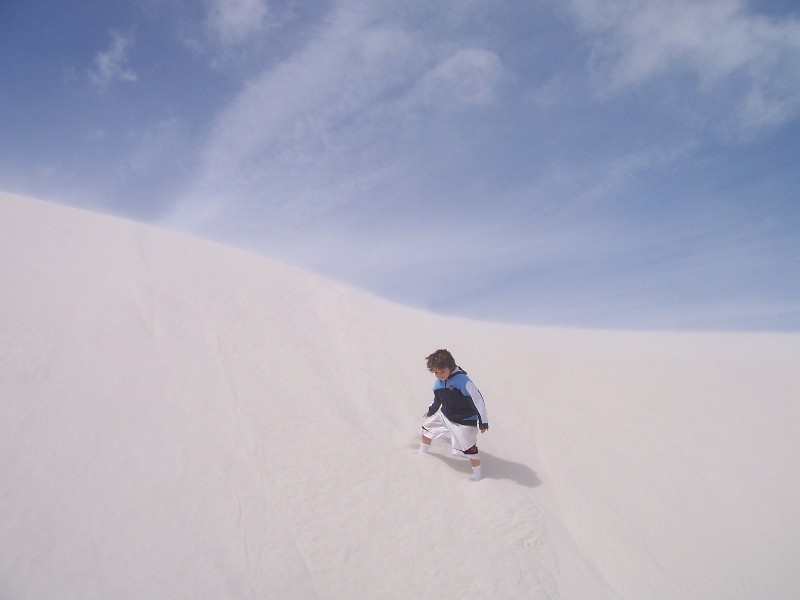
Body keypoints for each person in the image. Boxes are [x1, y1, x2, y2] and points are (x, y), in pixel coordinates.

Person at [419, 349, 489, 481]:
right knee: (426, 429)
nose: (440, 375)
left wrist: (483, 422)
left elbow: (478, 400)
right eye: (436, 372)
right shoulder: (438, 384)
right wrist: (431, 410)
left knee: (470, 450)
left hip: (465, 422)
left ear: (450, 367)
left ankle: (478, 476)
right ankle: (422, 456)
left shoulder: (463, 381)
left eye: (442, 371)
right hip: (445, 417)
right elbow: (437, 399)